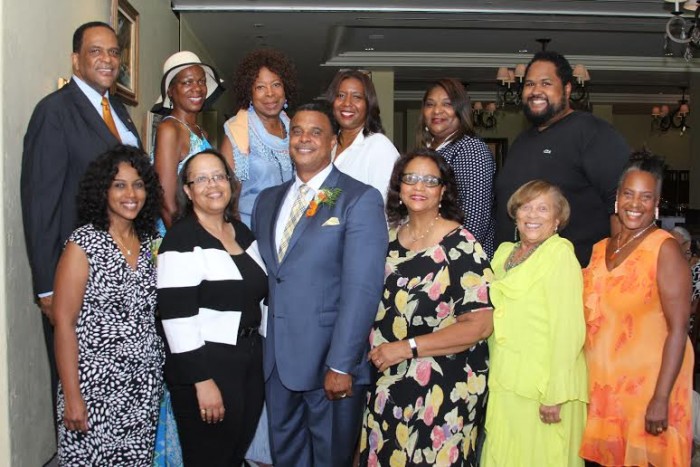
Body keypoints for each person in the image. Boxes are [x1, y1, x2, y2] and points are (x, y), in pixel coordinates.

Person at [252, 102, 388, 467]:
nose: (304, 139)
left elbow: (362, 289)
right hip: (277, 364)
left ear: (332, 142)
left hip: (330, 364)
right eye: (297, 131)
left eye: (315, 132)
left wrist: (342, 364)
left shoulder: (357, 199)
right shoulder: (267, 201)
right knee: (287, 459)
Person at [20, 21, 142, 430]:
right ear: (76, 59)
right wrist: (46, 288)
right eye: (96, 51)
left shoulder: (119, 112)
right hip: (77, 278)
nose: (107, 60)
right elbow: (41, 204)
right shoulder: (54, 112)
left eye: (113, 52)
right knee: (82, 395)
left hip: (121, 272)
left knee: (120, 391)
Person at [359, 149, 493, 466]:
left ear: (443, 190)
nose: (419, 187)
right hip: (388, 381)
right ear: (399, 187)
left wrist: (408, 348)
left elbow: (479, 325)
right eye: (411, 179)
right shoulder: (387, 240)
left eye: (429, 180)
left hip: (444, 389)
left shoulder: (461, 243)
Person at [580, 151, 693, 466]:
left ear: (657, 202)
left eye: (646, 197)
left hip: (646, 393)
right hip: (603, 390)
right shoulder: (601, 248)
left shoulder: (665, 249)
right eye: (628, 194)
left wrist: (660, 398)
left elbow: (678, 330)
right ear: (617, 197)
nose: (635, 204)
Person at [52, 146, 163, 465]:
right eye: (119, 185)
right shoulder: (83, 243)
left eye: (139, 184)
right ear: (103, 191)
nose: (131, 194)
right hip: (93, 387)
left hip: (143, 385)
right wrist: (72, 397)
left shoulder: (151, 242)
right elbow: (64, 323)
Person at [157, 149, 266, 466]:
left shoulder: (242, 232)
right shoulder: (181, 239)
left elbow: (261, 292)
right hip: (206, 365)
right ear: (188, 191)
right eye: (200, 179)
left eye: (219, 176)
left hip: (248, 359)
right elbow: (176, 317)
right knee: (208, 457)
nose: (212, 185)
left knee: (233, 454)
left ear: (231, 183)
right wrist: (202, 382)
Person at [481, 180, 588, 467]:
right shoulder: (504, 253)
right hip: (507, 381)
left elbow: (569, 330)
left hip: (544, 389)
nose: (532, 215)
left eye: (543, 209)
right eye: (526, 207)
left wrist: (555, 392)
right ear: (515, 215)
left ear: (557, 219)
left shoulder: (559, 254)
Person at [495, 50, 629, 267]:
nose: (535, 91)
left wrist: (614, 269)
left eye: (546, 83)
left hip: (574, 278)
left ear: (567, 89)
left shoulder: (591, 133)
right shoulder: (522, 141)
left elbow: (621, 205)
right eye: (529, 84)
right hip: (516, 278)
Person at [416, 78, 496, 257]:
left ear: (460, 110)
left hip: (460, 263)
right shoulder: (428, 151)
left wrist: (446, 260)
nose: (437, 110)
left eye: (447, 104)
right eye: (430, 104)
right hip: (429, 255)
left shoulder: (470, 149)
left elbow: (475, 219)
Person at [221, 48, 298, 227]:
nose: (270, 93)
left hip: (290, 231)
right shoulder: (237, 132)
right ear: (250, 93)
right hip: (251, 231)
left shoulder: (296, 129)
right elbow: (226, 198)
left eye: (276, 84)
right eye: (260, 87)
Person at [151, 50, 223, 235]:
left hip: (198, 228)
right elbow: (165, 200)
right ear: (170, 91)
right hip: (176, 233)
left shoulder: (201, 132)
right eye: (187, 82)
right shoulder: (170, 129)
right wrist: (185, 243)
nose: (197, 88)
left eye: (201, 81)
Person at [325, 69, 399, 202]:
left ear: (368, 104)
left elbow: (387, 205)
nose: (347, 103)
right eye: (341, 95)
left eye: (357, 97)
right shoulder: (326, 144)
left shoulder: (379, 146)